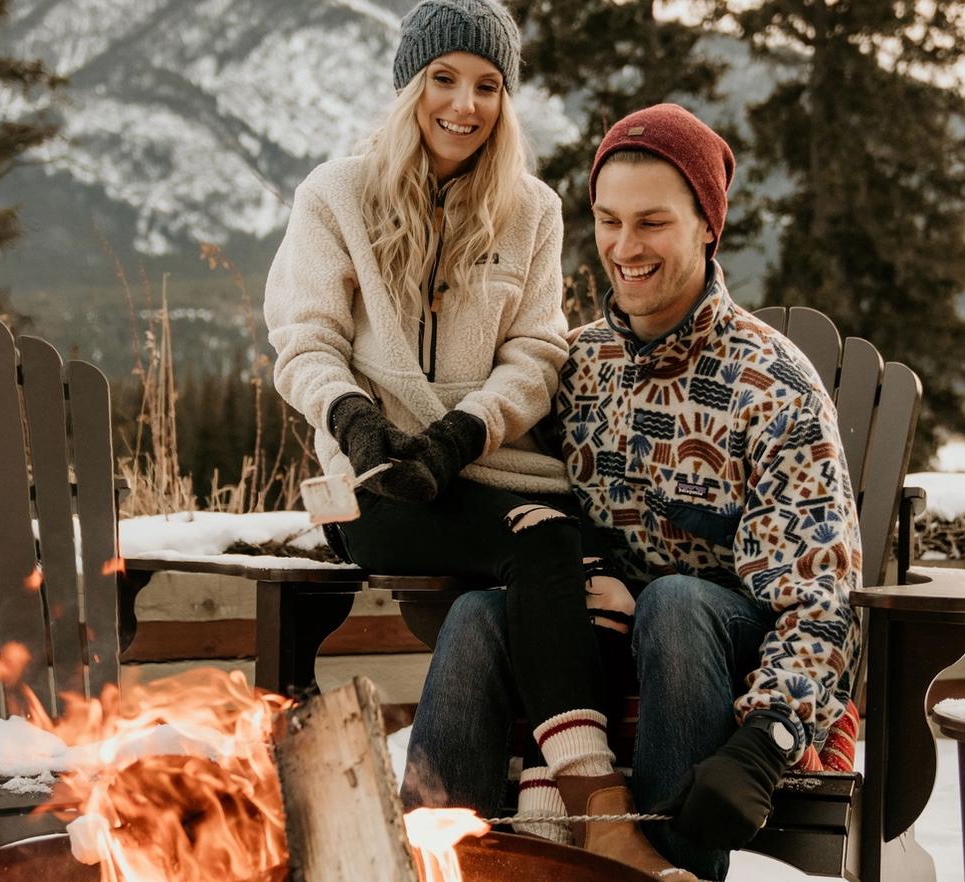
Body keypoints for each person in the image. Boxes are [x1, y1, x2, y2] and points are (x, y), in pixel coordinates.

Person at [262, 4, 688, 878]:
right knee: (557, 554)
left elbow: (538, 351)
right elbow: (303, 341)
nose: (466, 104)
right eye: (446, 80)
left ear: (507, 98)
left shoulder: (530, 208)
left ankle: (539, 810)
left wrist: (461, 435)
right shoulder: (334, 195)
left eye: (488, 86)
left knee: (570, 559)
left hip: (489, 468)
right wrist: (356, 422)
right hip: (376, 482)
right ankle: (594, 811)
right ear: (411, 85)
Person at [405, 103, 864, 881]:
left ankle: (664, 871)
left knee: (676, 601)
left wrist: (768, 740)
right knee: (479, 615)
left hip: (714, 648)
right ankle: (444, 863)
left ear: (707, 227)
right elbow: (506, 509)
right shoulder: (572, 368)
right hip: (588, 642)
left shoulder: (774, 384)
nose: (624, 247)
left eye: (652, 222)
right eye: (609, 221)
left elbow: (821, 601)